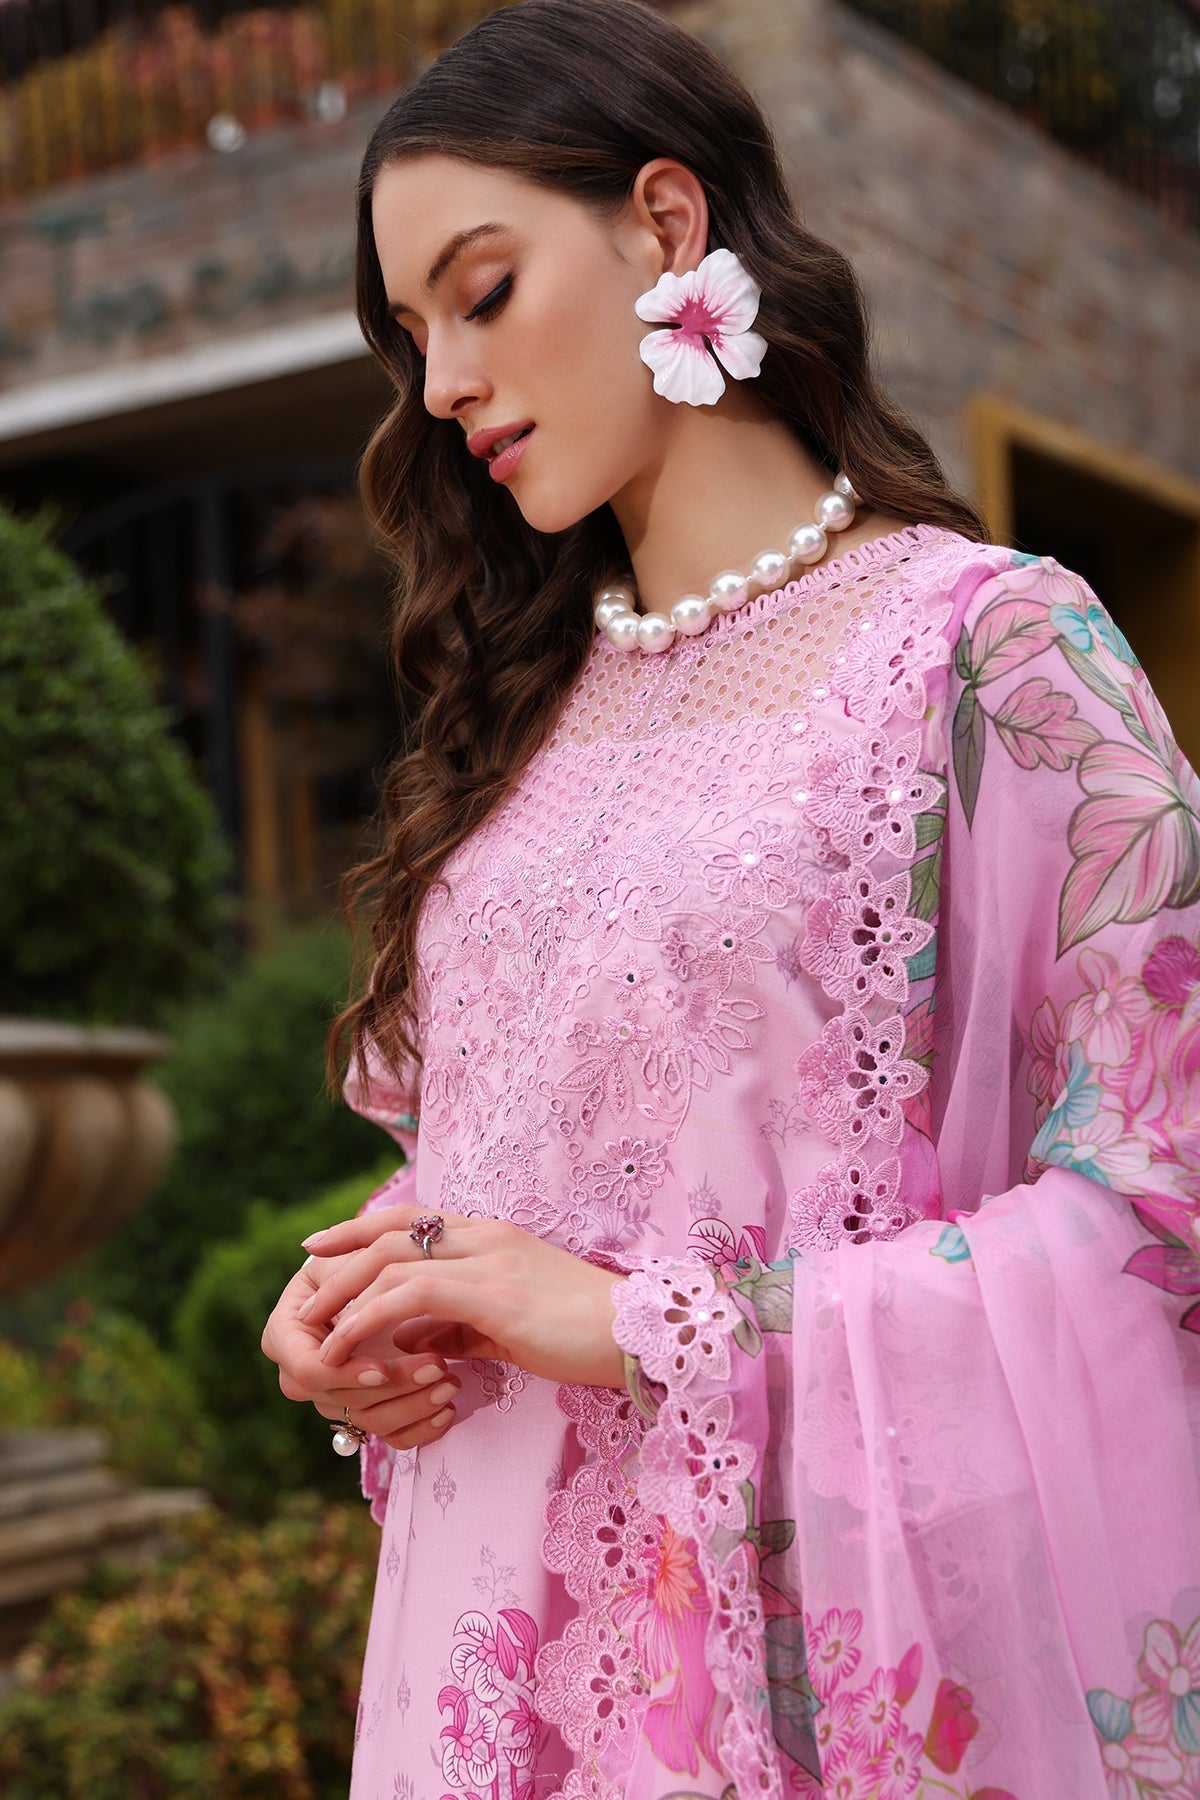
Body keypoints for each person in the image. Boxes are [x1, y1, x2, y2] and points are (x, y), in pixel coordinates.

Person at [260, 2, 1200, 1794]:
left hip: (816, 1676)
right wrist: (396, 1295)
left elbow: (1164, 1201)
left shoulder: (988, 650)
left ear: (666, 224)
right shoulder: (520, 725)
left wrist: (654, 1329)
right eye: (411, 338)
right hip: (493, 1682)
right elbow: (548, 1161)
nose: (441, 384)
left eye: (481, 292)